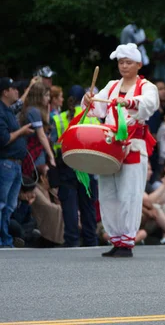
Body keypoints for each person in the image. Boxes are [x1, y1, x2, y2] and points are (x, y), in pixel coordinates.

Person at [82, 43, 159, 257]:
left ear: (138, 64)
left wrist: (129, 102)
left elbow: (150, 104)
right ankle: (116, 239)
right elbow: (97, 107)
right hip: (110, 145)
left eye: (129, 62)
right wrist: (89, 99)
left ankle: (127, 240)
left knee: (130, 193)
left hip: (133, 145)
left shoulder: (146, 86)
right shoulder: (112, 85)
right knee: (107, 193)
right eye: (121, 62)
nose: (124, 66)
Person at [52, 85, 100, 247]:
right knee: (88, 208)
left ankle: (72, 242)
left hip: (67, 168)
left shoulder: (59, 119)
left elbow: (53, 146)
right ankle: (90, 242)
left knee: (70, 209)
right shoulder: (93, 118)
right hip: (88, 169)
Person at [0, 78, 34, 247]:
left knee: (9, 205)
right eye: (13, 88)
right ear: (5, 92)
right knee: (2, 203)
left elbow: (20, 103)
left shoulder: (8, 110)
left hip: (15, 164)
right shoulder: (1, 112)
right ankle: (2, 239)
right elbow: (4, 140)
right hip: (6, 163)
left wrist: (31, 86)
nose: (16, 91)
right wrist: (22, 131)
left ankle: (5, 239)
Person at [19, 82, 56, 177]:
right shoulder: (33, 111)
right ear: (38, 96)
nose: (49, 98)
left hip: (36, 152)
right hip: (35, 153)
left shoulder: (34, 110)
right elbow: (41, 135)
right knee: (38, 182)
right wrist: (51, 156)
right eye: (46, 95)